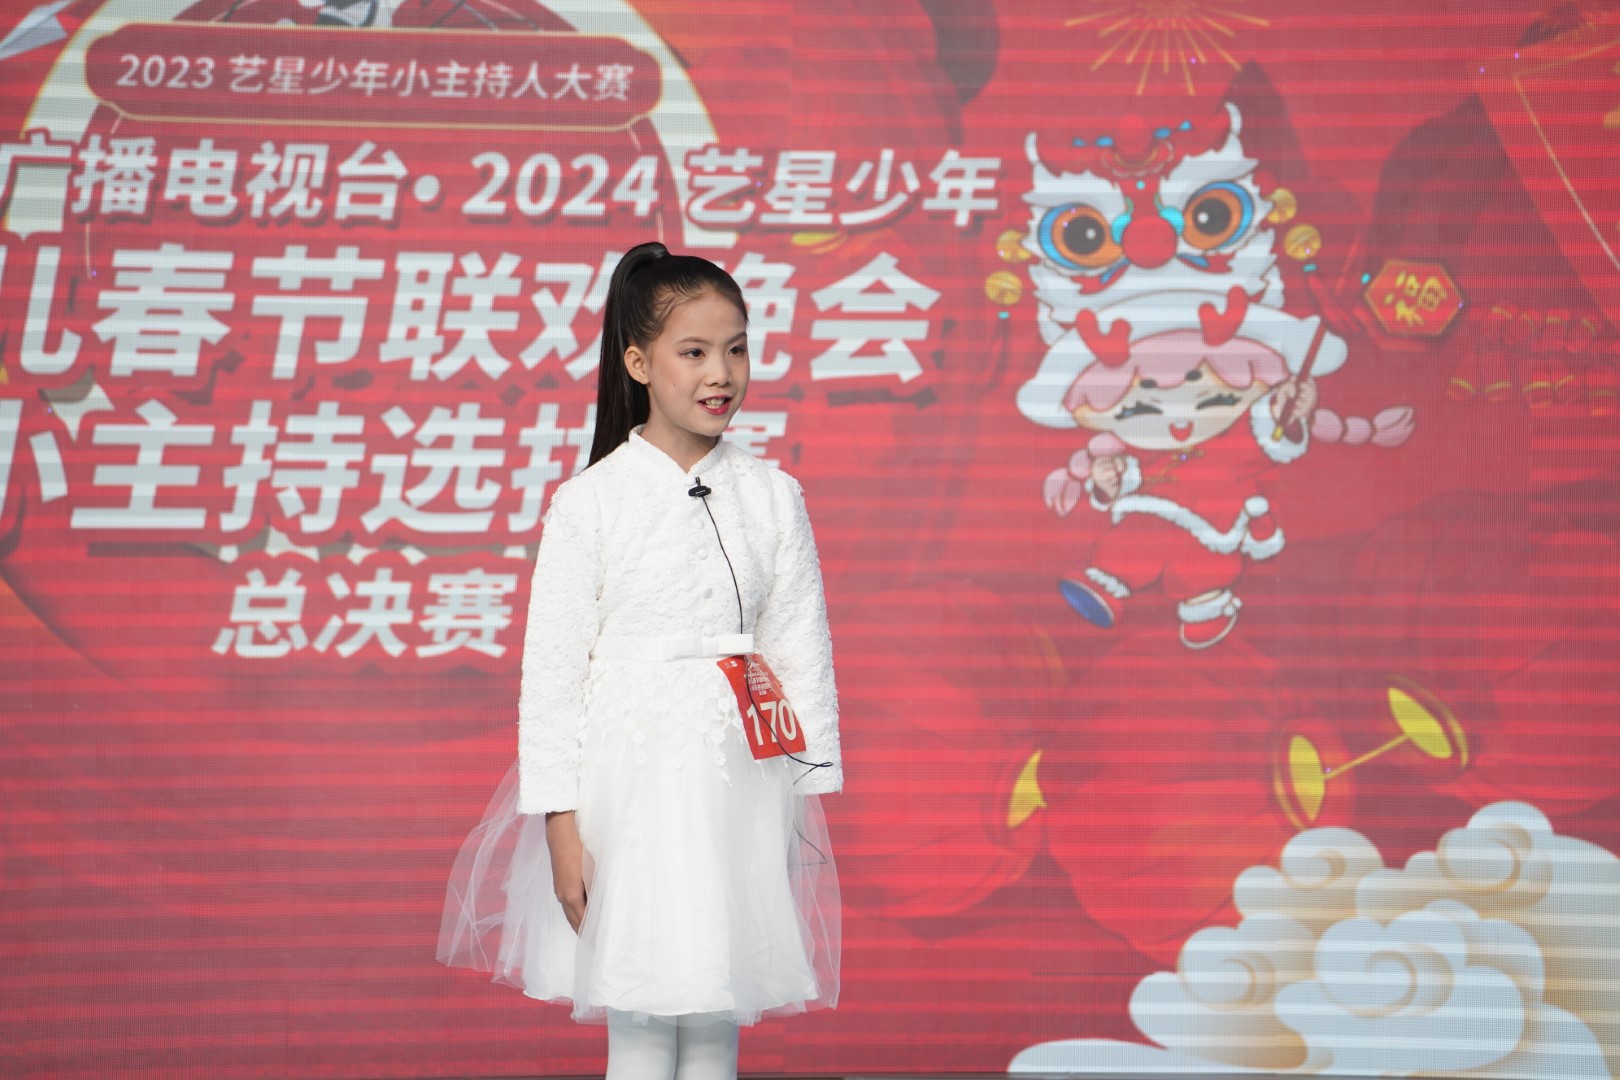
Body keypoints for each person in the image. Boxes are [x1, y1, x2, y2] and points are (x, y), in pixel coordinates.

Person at [437, 242, 843, 1079]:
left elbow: (799, 642)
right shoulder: (590, 502)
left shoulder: (773, 495)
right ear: (638, 363)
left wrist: (803, 792)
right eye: (693, 352)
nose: (720, 373)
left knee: (718, 1005)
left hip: (737, 781)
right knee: (643, 1016)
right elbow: (552, 677)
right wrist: (560, 825)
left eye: (736, 349)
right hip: (627, 783)